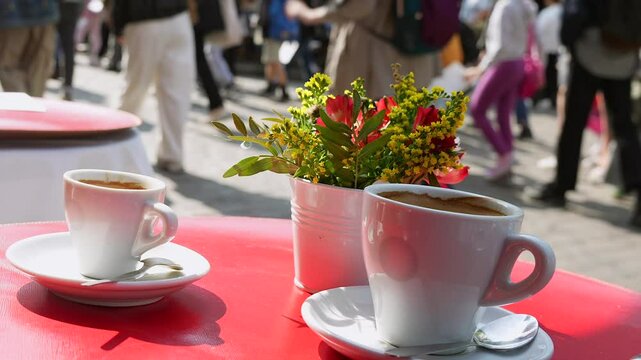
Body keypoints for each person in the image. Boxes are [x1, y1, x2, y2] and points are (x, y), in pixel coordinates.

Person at [527, 0, 641, 227]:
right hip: (624, 56)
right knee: (625, 127)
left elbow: (575, 13)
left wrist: (569, 41)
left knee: (573, 124)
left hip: (589, 52)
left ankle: (561, 185)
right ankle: (638, 190)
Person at [286, 0, 442, 99]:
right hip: (419, 56)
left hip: (375, 58)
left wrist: (310, 15)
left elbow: (361, 6)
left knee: (359, 131)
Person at [113, 0, 195, 174]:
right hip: (177, 18)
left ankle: (116, 145)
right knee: (175, 93)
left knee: (135, 90)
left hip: (146, 19)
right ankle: (171, 155)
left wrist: (118, 24)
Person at [465, 0, 538, 181]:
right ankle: (507, 155)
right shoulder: (524, 5)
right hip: (517, 62)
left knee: (477, 108)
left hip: (504, 63)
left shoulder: (505, 6)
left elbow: (499, 45)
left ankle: (504, 154)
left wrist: (481, 68)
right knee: (503, 113)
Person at [0, 0, 59, 97]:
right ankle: (30, 104)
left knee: (9, 67)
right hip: (42, 13)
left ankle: (26, 104)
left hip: (11, 15)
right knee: (38, 66)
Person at [190, 0, 225, 119]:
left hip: (193, 18)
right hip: (195, 18)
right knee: (199, 60)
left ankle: (216, 103)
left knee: (199, 60)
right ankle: (216, 103)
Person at [260, 0, 299, 102]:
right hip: (273, 33)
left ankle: (283, 90)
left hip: (277, 34)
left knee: (277, 62)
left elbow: (276, 14)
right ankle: (272, 86)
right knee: (271, 61)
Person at [55, 0, 84, 100]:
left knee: (61, 46)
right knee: (68, 47)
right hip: (72, 5)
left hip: (59, 5)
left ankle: (66, 83)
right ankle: (67, 85)